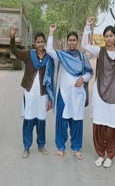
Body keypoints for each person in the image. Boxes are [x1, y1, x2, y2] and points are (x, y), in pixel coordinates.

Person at [81, 17, 115, 168]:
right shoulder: (99, 51)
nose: (108, 38)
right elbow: (84, 44)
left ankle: (110, 155)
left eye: (111, 35)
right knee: (99, 125)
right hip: (99, 94)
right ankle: (100, 154)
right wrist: (87, 26)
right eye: (106, 36)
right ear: (104, 38)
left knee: (111, 126)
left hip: (113, 96)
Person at [46, 24, 93, 159]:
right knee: (61, 121)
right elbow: (49, 50)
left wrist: (82, 79)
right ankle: (60, 146)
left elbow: (90, 73)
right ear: (67, 42)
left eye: (74, 40)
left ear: (77, 42)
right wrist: (51, 32)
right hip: (64, 94)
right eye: (70, 40)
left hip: (78, 95)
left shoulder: (82, 57)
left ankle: (76, 147)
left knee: (77, 121)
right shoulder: (62, 55)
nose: (72, 42)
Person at [10, 27, 53, 158]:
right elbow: (15, 51)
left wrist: (50, 98)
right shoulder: (29, 54)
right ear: (35, 42)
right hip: (29, 93)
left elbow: (51, 76)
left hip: (42, 94)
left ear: (44, 42)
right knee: (28, 120)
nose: (40, 44)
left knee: (41, 120)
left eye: (42, 42)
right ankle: (26, 147)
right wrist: (12, 37)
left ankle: (41, 145)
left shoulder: (49, 58)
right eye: (38, 42)